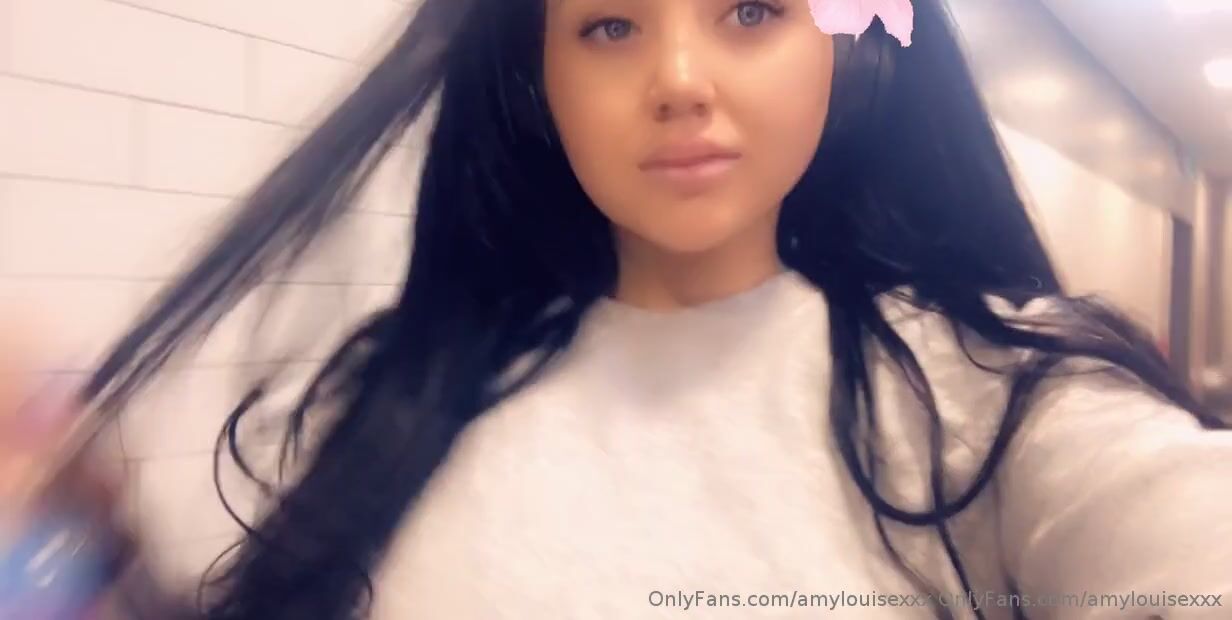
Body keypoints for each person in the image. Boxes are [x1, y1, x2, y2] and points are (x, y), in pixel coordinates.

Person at [2, 0, 1230, 618]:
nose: (678, 79)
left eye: (747, 10)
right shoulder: (414, 394)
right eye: (606, 24)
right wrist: (86, 545)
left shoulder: (993, 396)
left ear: (846, 47)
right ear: (537, 78)